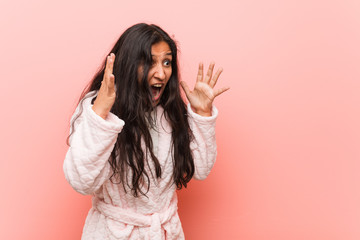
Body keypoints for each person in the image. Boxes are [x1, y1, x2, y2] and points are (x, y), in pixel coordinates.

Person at [63, 23, 229, 240]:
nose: (161, 73)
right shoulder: (97, 108)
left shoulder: (170, 111)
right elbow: (81, 181)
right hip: (113, 234)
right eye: (150, 62)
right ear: (129, 65)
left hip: (164, 232)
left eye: (167, 62)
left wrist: (201, 114)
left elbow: (200, 169)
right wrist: (101, 115)